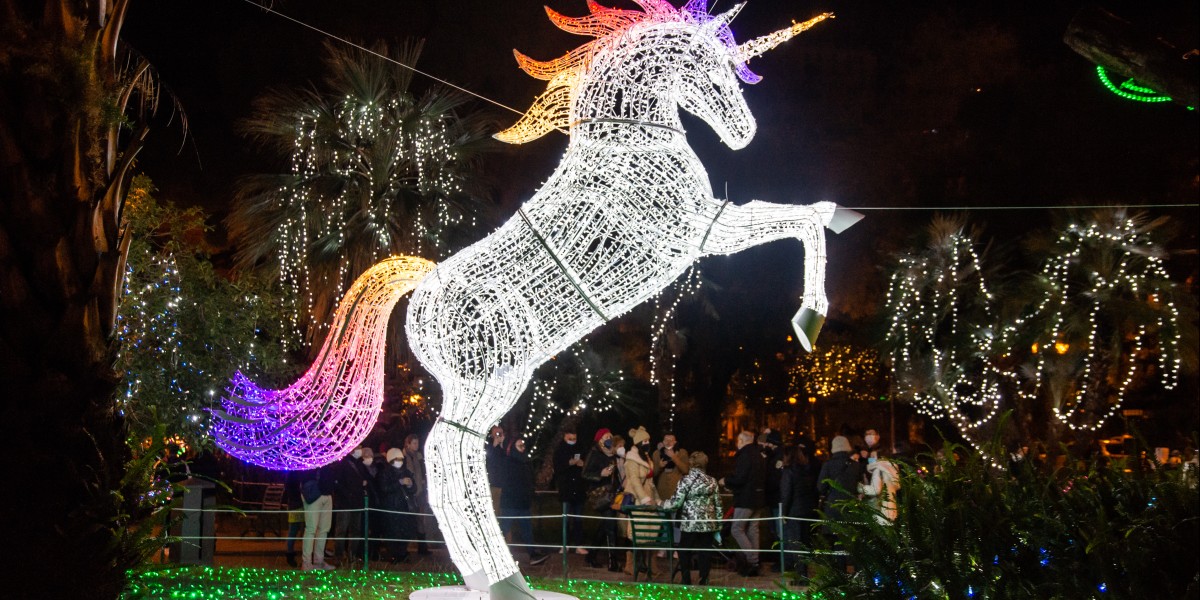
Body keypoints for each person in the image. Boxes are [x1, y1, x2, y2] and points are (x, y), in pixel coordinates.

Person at [661, 450, 721, 585]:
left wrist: (662, 504)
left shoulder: (685, 480)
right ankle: (703, 580)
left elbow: (676, 503)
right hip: (708, 523)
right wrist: (718, 524)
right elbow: (718, 504)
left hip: (690, 523)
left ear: (691, 464)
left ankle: (686, 579)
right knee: (705, 552)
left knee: (684, 550)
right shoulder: (712, 481)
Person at [719, 430, 765, 576]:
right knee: (753, 529)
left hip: (745, 499)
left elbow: (740, 478)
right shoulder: (759, 455)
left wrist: (725, 481)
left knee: (736, 529)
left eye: (738, 440)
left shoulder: (745, 455)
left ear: (742, 440)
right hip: (759, 497)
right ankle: (755, 561)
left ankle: (752, 560)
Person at [499, 437, 550, 566]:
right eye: (519, 444)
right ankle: (492, 553)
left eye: (523, 443)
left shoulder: (525, 462)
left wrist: (531, 492)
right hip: (511, 502)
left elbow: (528, 480)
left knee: (527, 530)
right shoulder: (508, 462)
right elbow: (508, 482)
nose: (522, 445)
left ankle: (532, 554)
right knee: (503, 528)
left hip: (523, 502)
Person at [817, 435, 863, 572]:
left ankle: (840, 572)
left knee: (837, 540)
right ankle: (858, 571)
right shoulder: (856, 466)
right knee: (853, 540)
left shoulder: (828, 465)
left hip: (833, 507)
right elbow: (860, 485)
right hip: (851, 506)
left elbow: (821, 486)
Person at [622, 426, 661, 574]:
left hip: (648, 498)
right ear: (638, 442)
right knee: (636, 532)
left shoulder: (647, 457)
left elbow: (650, 482)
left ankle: (650, 564)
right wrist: (644, 498)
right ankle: (630, 565)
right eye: (644, 440)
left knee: (652, 531)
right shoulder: (631, 460)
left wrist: (657, 499)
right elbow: (635, 481)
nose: (647, 443)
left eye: (648, 440)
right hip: (638, 500)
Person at [582, 428, 620, 570]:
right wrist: (600, 474)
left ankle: (591, 556)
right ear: (600, 440)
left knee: (605, 526)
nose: (609, 438)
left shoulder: (612, 454)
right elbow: (585, 473)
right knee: (611, 526)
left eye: (611, 436)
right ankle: (613, 562)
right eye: (606, 437)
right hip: (600, 494)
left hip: (611, 494)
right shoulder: (595, 453)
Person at [779, 443, 819, 581]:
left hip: (794, 511)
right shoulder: (807, 470)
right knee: (805, 542)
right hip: (807, 510)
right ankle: (804, 572)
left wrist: (783, 512)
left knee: (795, 543)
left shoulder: (788, 471)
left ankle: (801, 576)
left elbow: (786, 493)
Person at [332, 446, 372, 565]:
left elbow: (366, 478)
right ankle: (339, 556)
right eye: (358, 448)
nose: (360, 450)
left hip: (356, 501)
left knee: (355, 530)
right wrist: (349, 492)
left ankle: (352, 555)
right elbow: (338, 483)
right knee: (342, 530)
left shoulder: (359, 463)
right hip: (345, 502)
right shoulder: (342, 463)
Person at [376, 447, 417, 563]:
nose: (399, 461)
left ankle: (403, 554)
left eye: (401, 459)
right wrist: (399, 483)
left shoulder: (406, 471)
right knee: (392, 532)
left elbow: (414, 488)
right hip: (391, 507)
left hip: (404, 506)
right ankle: (394, 555)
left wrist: (410, 486)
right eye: (396, 459)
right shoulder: (385, 473)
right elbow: (384, 488)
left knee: (404, 531)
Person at [552, 429, 589, 555]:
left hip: (578, 490)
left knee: (578, 520)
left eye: (574, 439)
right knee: (565, 519)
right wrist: (569, 463)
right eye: (570, 439)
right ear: (564, 437)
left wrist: (582, 464)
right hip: (566, 490)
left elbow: (588, 467)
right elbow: (557, 468)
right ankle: (565, 545)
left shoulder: (581, 448)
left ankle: (579, 545)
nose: (572, 441)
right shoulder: (559, 451)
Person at [653, 433, 690, 552]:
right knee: (664, 521)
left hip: (677, 492)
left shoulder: (682, 452)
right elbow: (653, 473)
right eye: (666, 440)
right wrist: (659, 466)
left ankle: (676, 549)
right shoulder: (657, 453)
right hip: (662, 492)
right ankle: (664, 547)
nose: (668, 442)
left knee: (676, 522)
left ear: (675, 442)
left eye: (671, 440)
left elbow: (685, 470)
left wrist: (674, 457)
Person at [299, 464, 336, 570]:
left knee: (323, 530)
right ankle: (307, 563)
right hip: (315, 493)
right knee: (311, 529)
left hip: (326, 493)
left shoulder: (328, 453)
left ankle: (318, 561)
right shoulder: (311, 454)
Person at [402, 434, 432, 555]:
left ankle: (422, 547)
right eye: (414, 443)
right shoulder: (404, 457)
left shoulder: (419, 457)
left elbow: (422, 475)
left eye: (417, 443)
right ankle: (404, 547)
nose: (416, 445)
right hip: (409, 493)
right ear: (408, 444)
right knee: (409, 519)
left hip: (419, 491)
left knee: (420, 519)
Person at [859, 445, 900, 524]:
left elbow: (875, 490)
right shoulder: (892, 469)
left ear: (880, 457)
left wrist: (861, 488)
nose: (871, 458)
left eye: (873, 456)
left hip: (880, 511)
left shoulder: (879, 469)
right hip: (891, 509)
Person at [487, 426, 507, 512]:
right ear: (492, 434)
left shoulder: (503, 446)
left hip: (504, 483)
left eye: (500, 433)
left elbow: (507, 460)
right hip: (493, 482)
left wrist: (502, 445)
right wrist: (494, 445)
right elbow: (487, 459)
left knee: (502, 507)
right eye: (496, 433)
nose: (498, 435)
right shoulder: (487, 444)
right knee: (494, 507)